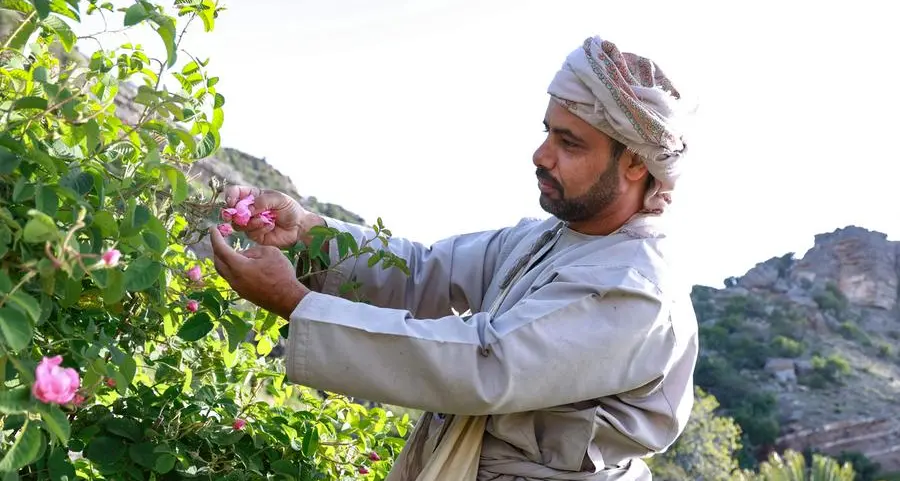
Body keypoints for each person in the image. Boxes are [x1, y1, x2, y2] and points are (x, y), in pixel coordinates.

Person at [209, 35, 699, 481]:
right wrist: (309, 231)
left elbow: (483, 364)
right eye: (548, 132)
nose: (541, 155)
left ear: (636, 163)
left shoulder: (634, 287)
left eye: (569, 143)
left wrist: (298, 305)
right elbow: (423, 271)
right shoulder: (544, 240)